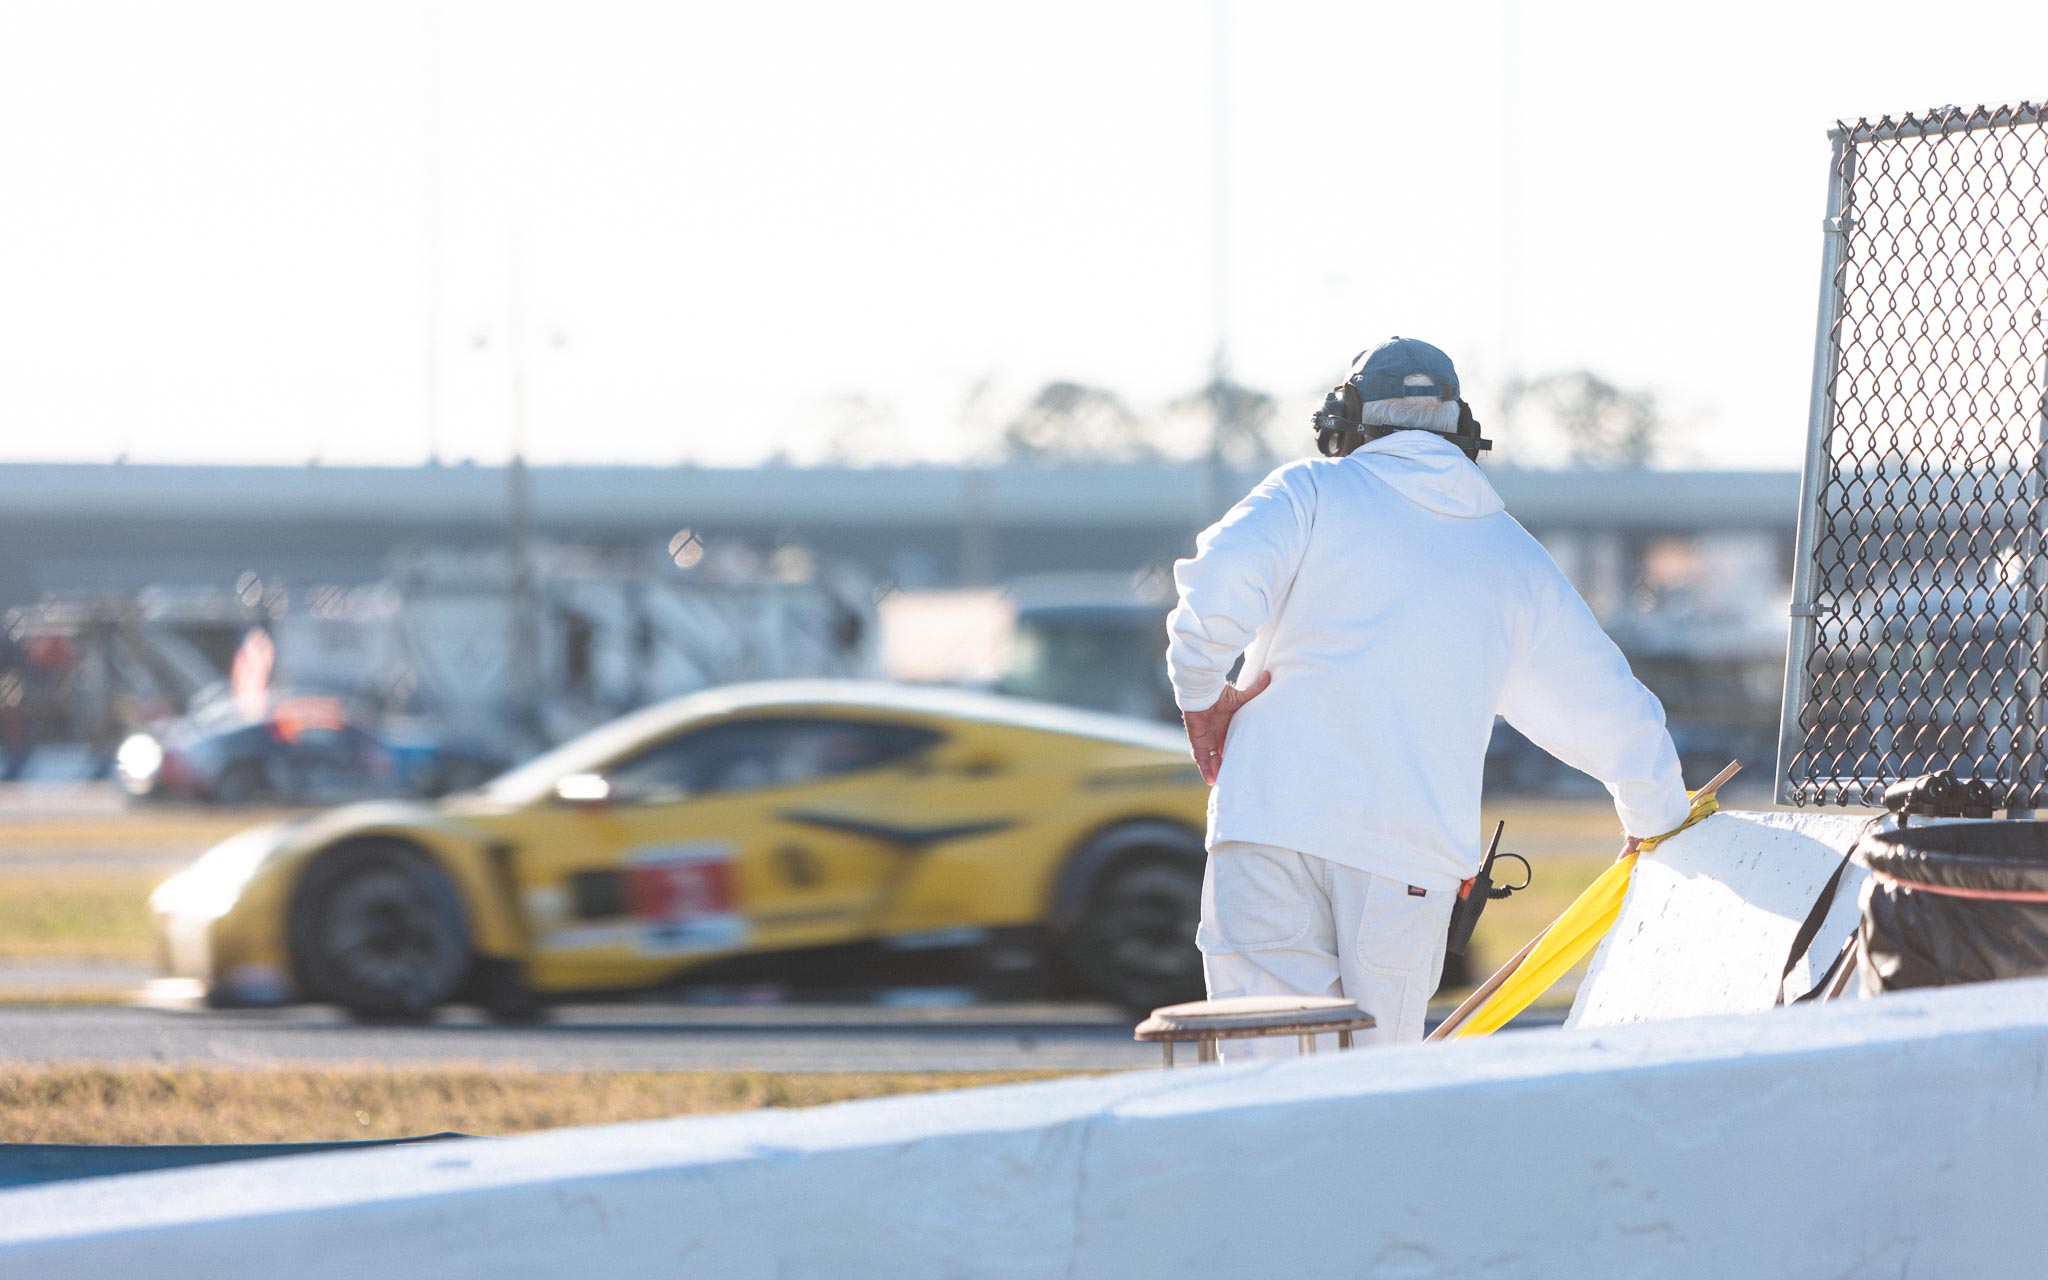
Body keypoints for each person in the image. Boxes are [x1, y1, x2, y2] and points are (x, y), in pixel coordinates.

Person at [1164, 336, 1691, 1051]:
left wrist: (1204, 702)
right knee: (1379, 1099)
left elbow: (1208, 607)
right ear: (1463, 432)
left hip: (1269, 823)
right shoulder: (1508, 557)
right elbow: (1609, 708)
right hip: (1406, 863)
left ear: (1344, 425)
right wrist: (1654, 812)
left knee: (1267, 1085)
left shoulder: (1307, 494)